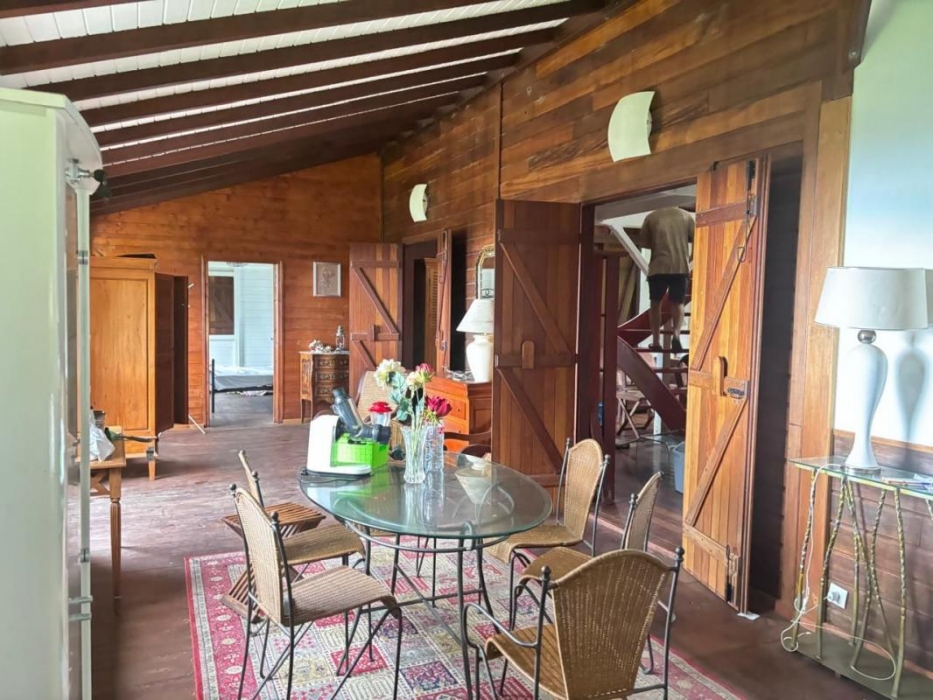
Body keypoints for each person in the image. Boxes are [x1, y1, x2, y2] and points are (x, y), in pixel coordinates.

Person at [633, 206, 694, 352]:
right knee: (678, 303)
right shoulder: (686, 216)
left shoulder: (652, 216)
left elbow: (643, 242)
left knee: (655, 304)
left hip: (658, 266)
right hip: (680, 266)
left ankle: (656, 341)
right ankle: (676, 335)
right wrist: (690, 258)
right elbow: (698, 237)